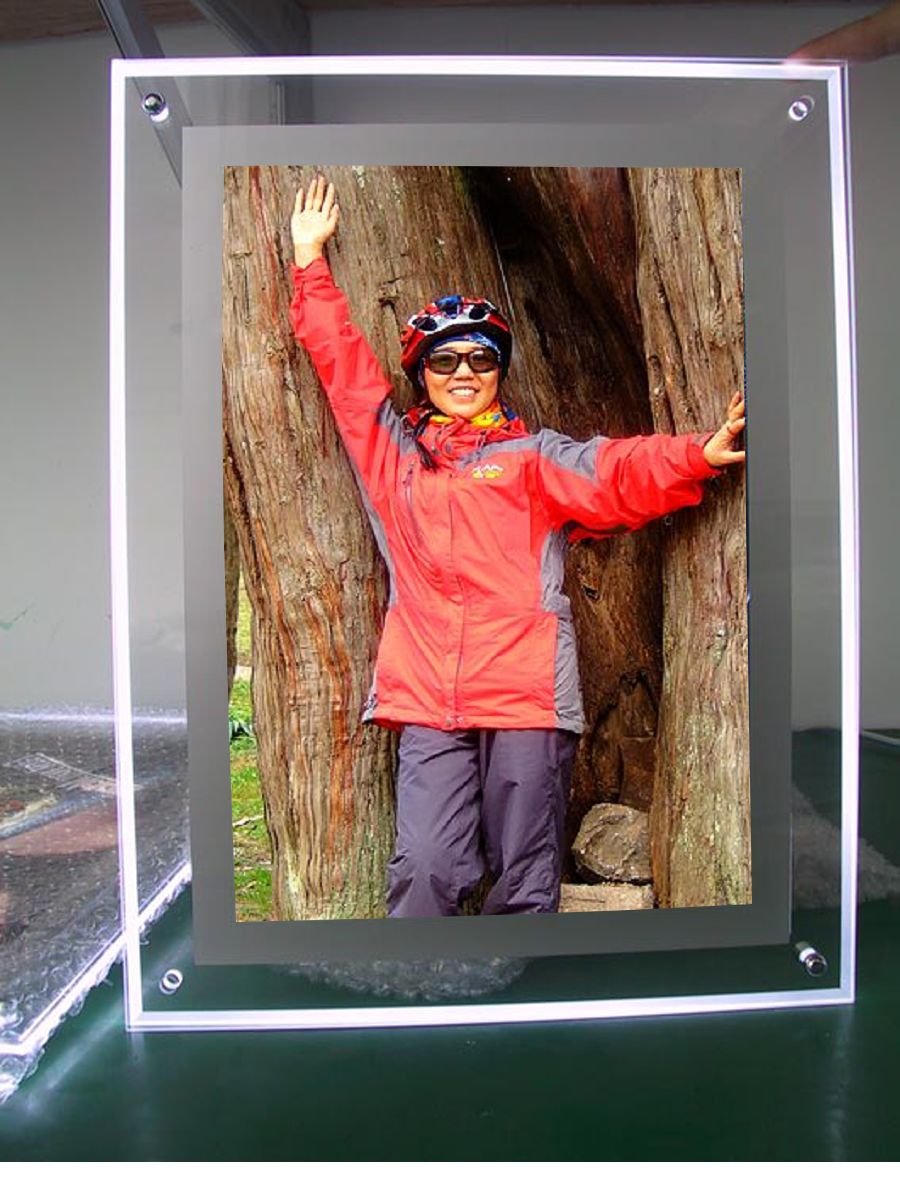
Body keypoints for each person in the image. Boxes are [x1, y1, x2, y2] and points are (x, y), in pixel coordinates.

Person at [288, 175, 745, 919]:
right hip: (429, 695)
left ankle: (523, 990)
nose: (463, 373)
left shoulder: (532, 459)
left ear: (499, 370)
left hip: (527, 692)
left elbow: (614, 470)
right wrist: (309, 264)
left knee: (526, 882)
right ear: (421, 374)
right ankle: (416, 987)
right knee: (426, 868)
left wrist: (697, 453)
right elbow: (346, 377)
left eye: (480, 359)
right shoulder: (394, 458)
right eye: (444, 360)